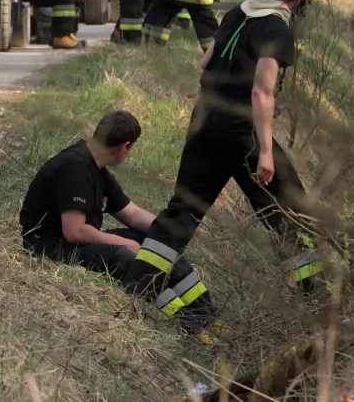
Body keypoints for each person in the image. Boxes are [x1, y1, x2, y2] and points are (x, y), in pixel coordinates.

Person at [123, 0, 326, 304]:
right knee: (287, 204)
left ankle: (139, 283)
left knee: (183, 208)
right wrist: (264, 151)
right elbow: (260, 92)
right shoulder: (277, 29)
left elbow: (206, 62)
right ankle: (315, 294)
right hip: (239, 130)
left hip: (205, 119)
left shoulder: (240, 11)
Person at [20, 111, 214, 327]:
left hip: (75, 240)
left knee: (160, 245)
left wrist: (169, 231)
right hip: (48, 246)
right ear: (125, 146)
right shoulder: (74, 168)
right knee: (124, 254)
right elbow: (74, 231)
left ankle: (205, 315)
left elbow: (131, 214)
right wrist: (122, 242)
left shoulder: (97, 168)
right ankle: (183, 323)